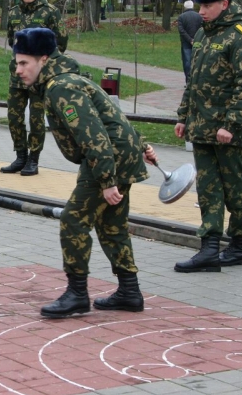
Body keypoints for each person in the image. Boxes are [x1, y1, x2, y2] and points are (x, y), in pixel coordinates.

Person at [13, 27, 158, 318]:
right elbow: (110, 114)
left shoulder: (60, 87)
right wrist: (140, 144)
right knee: (111, 223)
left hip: (106, 160)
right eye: (16, 63)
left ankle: (77, 294)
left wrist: (106, 180)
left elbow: (94, 136)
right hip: (119, 155)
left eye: (24, 63)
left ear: (43, 59)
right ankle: (129, 291)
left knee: (73, 220)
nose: (18, 70)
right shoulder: (68, 79)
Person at [174, 0, 242, 273]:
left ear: (225, 3)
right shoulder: (203, 34)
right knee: (207, 188)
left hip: (226, 130)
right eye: (200, 4)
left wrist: (232, 124)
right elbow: (193, 81)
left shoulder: (241, 36)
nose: (201, 11)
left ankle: (238, 245)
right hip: (201, 127)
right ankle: (209, 248)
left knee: (234, 186)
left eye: (208, 5)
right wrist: (183, 116)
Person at [1, 0, 68, 177]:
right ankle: (20, 155)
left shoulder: (50, 12)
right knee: (14, 116)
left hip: (39, 76)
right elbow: (12, 40)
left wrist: (44, 64)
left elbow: (61, 41)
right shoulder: (13, 13)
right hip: (18, 74)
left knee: (36, 119)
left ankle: (33, 158)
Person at [177, 0, 202, 85]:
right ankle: (197, 80)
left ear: (184, 7)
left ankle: (188, 81)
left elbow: (181, 30)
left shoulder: (181, 17)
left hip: (186, 42)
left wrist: (190, 40)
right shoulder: (199, 16)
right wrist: (196, 39)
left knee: (187, 62)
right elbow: (202, 28)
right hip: (198, 41)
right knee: (197, 61)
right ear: (193, 6)